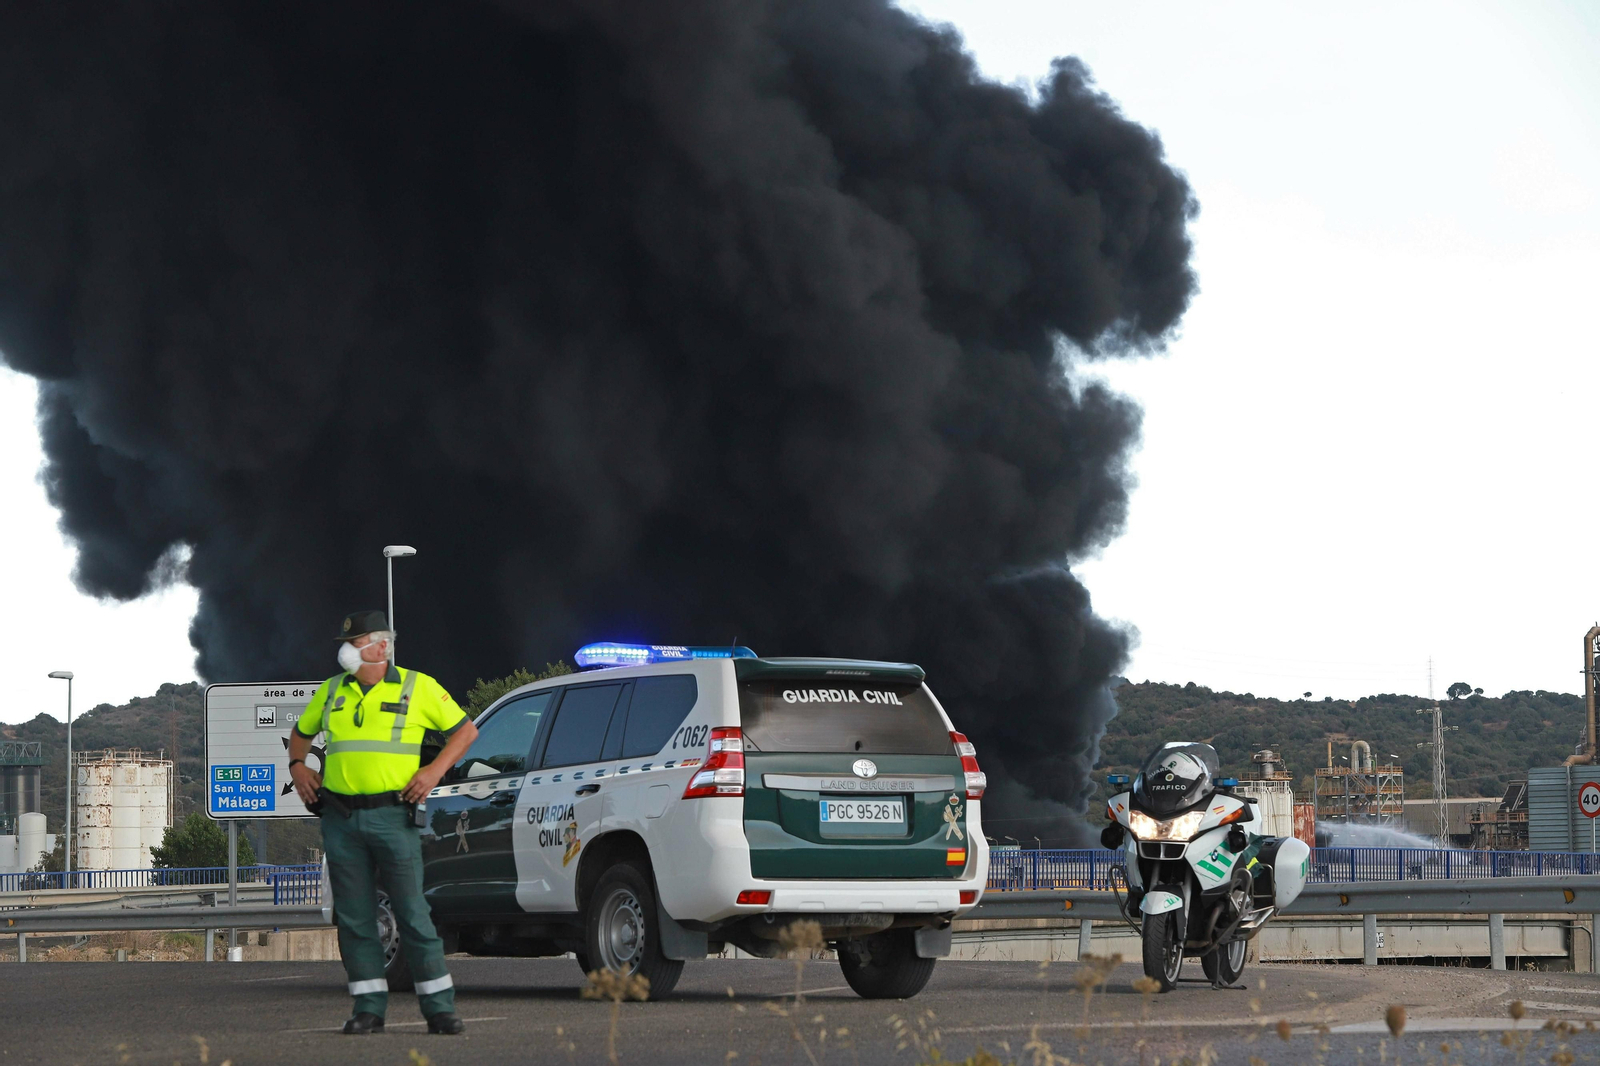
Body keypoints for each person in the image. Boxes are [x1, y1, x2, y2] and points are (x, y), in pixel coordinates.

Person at [288, 609, 480, 1036]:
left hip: (393, 817)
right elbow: (300, 733)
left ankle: (439, 1009)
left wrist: (432, 774)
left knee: (413, 913)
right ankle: (368, 1009)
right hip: (341, 820)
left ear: (380, 647)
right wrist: (298, 766)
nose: (346, 651)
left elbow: (465, 732)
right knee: (356, 920)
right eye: (346, 643)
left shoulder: (419, 686)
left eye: (354, 643)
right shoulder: (332, 691)